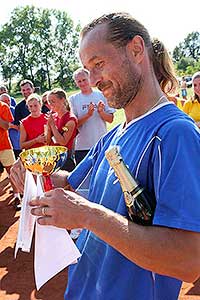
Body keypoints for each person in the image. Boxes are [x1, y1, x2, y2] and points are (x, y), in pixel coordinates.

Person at [10, 12, 200, 300]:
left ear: (136, 50)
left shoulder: (175, 133)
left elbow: (187, 261)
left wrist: (88, 216)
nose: (93, 79)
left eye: (98, 64)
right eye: (87, 68)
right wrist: (34, 173)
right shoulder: (114, 135)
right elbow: (70, 183)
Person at [69, 68, 115, 164]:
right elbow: (73, 125)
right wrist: (88, 115)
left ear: (89, 78)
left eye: (84, 80)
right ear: (76, 83)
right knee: (84, 178)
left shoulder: (101, 95)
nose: (82, 83)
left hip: (101, 144)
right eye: (79, 81)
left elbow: (110, 119)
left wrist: (101, 112)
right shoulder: (73, 99)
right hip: (82, 147)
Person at [46, 88, 78, 171]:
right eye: (49, 102)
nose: (50, 104)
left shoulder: (70, 119)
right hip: (53, 157)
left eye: (53, 101)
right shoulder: (53, 117)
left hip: (65, 159)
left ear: (62, 100)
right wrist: (49, 127)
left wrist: (52, 125)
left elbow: (63, 142)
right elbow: (47, 141)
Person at [0, 98, 20, 210]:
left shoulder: (3, 106)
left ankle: (17, 196)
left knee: (11, 171)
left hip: (4, 145)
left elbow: (6, 126)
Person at [0, 93, 21, 159]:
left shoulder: (15, 110)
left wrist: (11, 126)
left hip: (15, 142)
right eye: (4, 101)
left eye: (8, 100)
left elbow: (20, 125)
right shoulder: (2, 108)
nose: (7, 102)